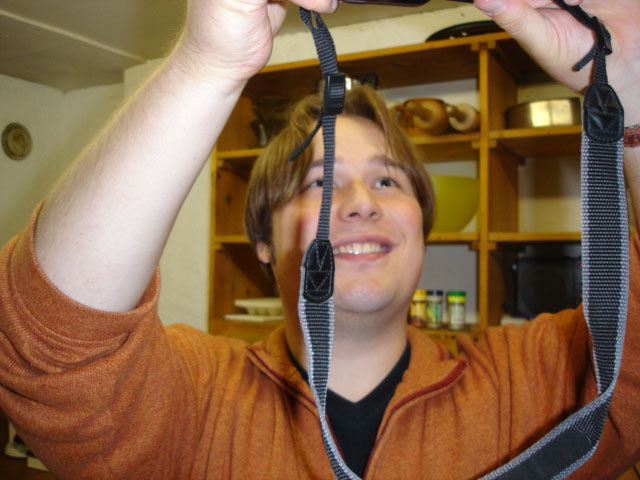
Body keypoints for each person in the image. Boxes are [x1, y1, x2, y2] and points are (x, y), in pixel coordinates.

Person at [0, 0, 639, 478]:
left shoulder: (536, 383)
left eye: (387, 181)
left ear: (423, 226)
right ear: (263, 241)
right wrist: (208, 65)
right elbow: (51, 349)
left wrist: (633, 78)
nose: (360, 203)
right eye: (319, 184)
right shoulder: (196, 397)